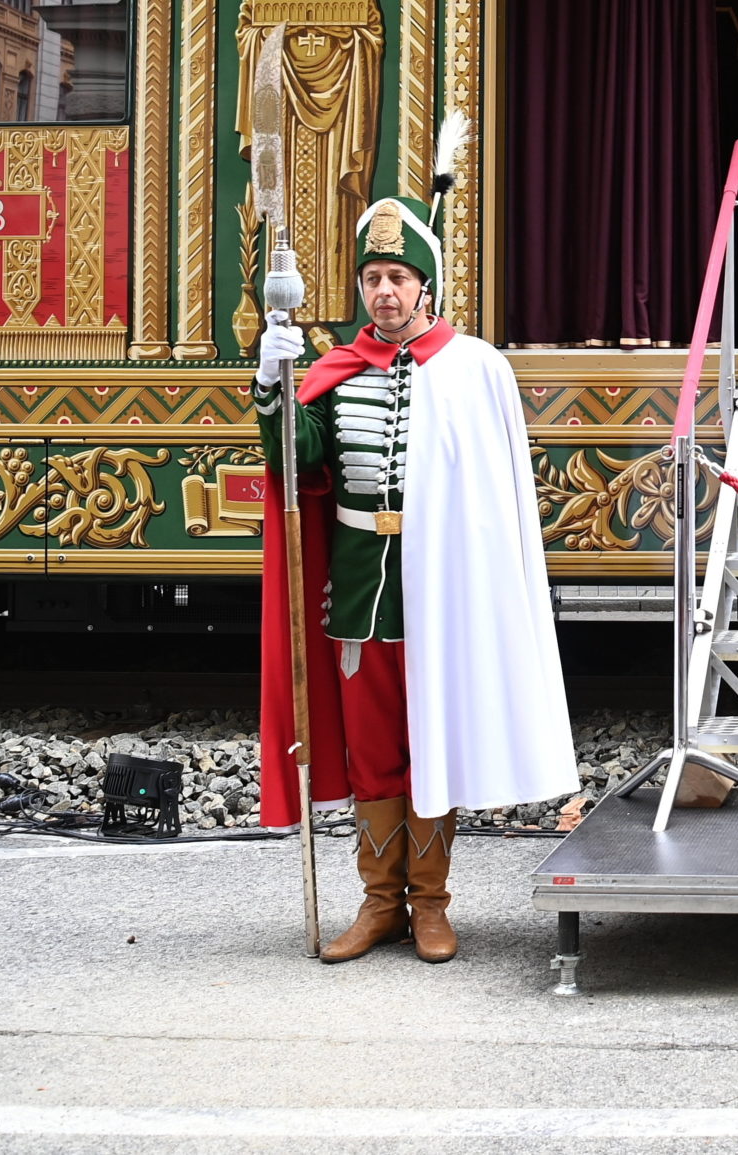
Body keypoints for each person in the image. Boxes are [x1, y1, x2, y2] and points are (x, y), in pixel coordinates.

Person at [255, 194, 576, 963]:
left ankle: (430, 904)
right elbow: (298, 464)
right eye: (372, 278)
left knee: (433, 742)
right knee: (373, 752)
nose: (386, 292)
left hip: (446, 593)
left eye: (399, 276)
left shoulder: (473, 367)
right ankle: (378, 904)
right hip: (363, 591)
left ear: (426, 285)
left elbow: (496, 501)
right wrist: (273, 386)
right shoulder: (334, 370)